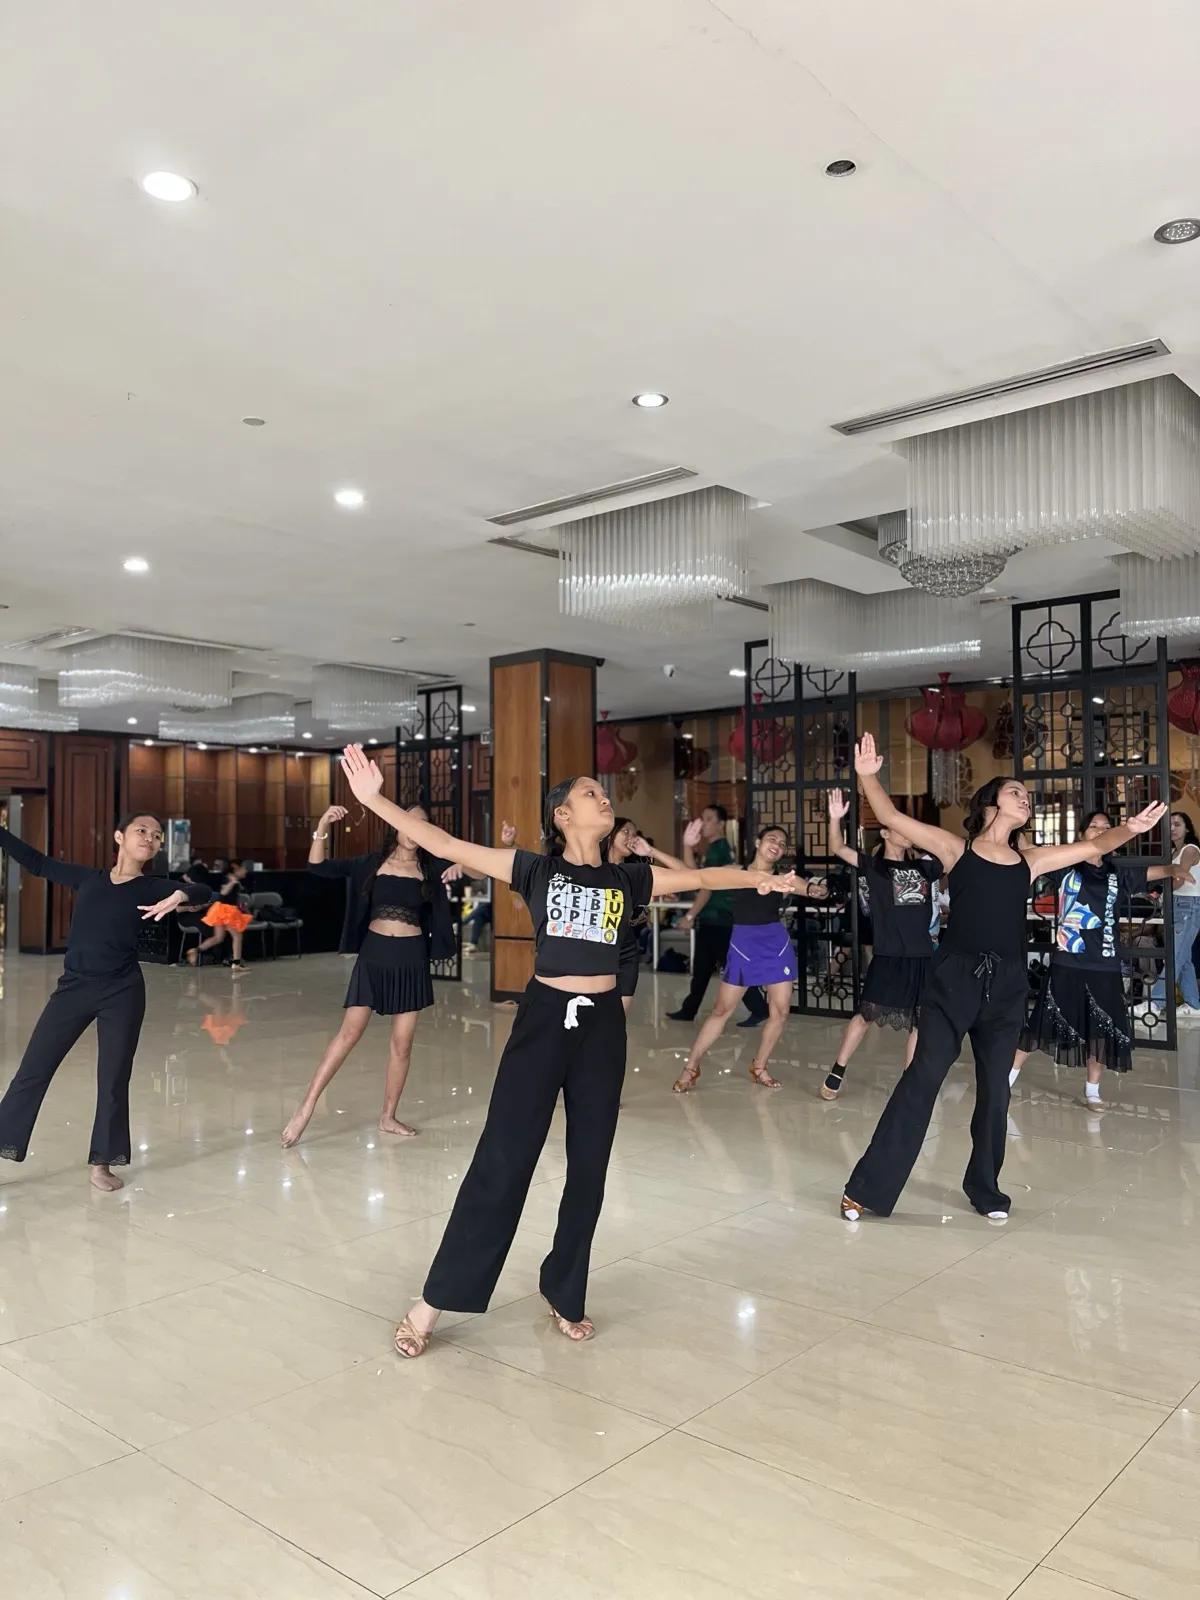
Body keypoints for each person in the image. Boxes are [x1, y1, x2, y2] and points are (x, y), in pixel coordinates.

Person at [337, 745, 803, 1357]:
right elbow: (447, 845)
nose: (603, 798)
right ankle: (434, 1300)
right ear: (561, 814)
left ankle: (565, 1289)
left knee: (589, 1168)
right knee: (503, 1159)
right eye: (590, 793)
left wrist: (760, 877)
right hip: (543, 1022)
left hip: (603, 1028)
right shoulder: (535, 870)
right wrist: (374, 801)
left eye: (604, 793)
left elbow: (700, 878)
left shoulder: (626, 876)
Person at [840, 734, 1164, 1223]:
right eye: (1016, 792)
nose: (1025, 798)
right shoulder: (955, 849)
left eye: (1026, 795)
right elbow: (890, 819)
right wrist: (867, 775)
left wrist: (1129, 828)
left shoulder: (1030, 862)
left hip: (1007, 984)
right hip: (954, 979)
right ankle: (868, 1187)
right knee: (922, 1079)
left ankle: (986, 1190)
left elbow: (1093, 846)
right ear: (991, 804)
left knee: (996, 1090)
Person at [0, 812, 212, 1190]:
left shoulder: (151, 888)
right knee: (33, 1070)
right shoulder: (88, 879)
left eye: (157, 835)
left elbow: (203, 894)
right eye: (141, 830)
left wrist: (181, 893)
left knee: (113, 1079)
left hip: (122, 992)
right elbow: (36, 862)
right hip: (74, 988)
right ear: (119, 837)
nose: (150, 838)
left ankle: (102, 1163)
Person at [280, 801, 460, 1146]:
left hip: (412, 959)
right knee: (349, 1033)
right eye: (408, 822)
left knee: (402, 1045)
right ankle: (305, 1107)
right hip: (375, 955)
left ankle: (388, 1116)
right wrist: (323, 825)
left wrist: (503, 846)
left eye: (422, 825)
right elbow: (317, 866)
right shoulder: (370, 864)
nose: (413, 830)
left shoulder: (431, 867)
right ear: (396, 824)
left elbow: (476, 867)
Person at [1012, 809, 1186, 1104]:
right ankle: (1008, 1075)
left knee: (1103, 1027)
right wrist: (1016, 824)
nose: (1101, 831)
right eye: (1094, 827)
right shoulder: (1065, 865)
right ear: (1082, 835)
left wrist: (1173, 870)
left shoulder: (1118, 872)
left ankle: (1092, 1090)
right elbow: (1027, 849)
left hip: (1104, 961)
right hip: (1068, 959)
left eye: (1107, 827)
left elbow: (1151, 873)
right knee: (1043, 1020)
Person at [671, 825, 828, 1093]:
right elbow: (698, 876)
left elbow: (812, 889)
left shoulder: (784, 878)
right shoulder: (736, 873)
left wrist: (817, 891)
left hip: (776, 944)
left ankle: (760, 1066)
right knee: (722, 1011)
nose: (777, 844)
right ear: (757, 842)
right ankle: (691, 1067)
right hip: (744, 944)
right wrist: (687, 846)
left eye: (782, 842)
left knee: (779, 1011)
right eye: (771, 839)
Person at [820, 790, 939, 1099]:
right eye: (900, 827)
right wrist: (835, 819)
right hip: (889, 955)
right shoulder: (873, 867)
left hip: (923, 955)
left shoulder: (926, 868)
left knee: (921, 1021)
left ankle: (909, 1081)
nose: (908, 833)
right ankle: (838, 1069)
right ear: (885, 832)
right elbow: (836, 847)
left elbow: (950, 850)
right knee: (865, 1015)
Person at [667, 804, 767, 1026]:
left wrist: (690, 915)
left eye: (709, 819)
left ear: (721, 824)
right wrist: (687, 847)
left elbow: (706, 886)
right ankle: (689, 1009)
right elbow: (696, 875)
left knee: (732, 967)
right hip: (713, 919)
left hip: (720, 920)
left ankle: (759, 1009)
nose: (703, 823)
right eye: (702, 818)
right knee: (702, 968)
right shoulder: (716, 849)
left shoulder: (719, 849)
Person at [606, 815, 697, 1014]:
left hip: (625, 950)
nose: (632, 837)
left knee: (616, 1019)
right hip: (594, 949)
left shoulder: (637, 872)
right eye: (626, 832)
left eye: (635, 833)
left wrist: (650, 851)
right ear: (610, 835)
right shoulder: (593, 868)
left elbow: (690, 876)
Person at [1148, 810, 1200, 1023]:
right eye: (1169, 825)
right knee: (1184, 958)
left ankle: (1155, 1002)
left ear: (1187, 828)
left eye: (1177, 824)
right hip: (1178, 905)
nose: (1172, 829)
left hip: (1189, 906)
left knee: (1175, 956)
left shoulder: (1189, 849)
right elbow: (1174, 878)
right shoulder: (1173, 852)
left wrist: (1165, 881)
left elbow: (1177, 880)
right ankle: (1194, 1004)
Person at [187, 860, 251, 971]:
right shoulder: (229, 878)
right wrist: (232, 883)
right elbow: (223, 892)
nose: (246, 870)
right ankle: (236, 963)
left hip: (221, 910)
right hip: (226, 911)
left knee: (218, 937)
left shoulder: (231, 879)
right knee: (237, 936)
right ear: (236, 867)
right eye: (244, 868)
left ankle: (196, 950)